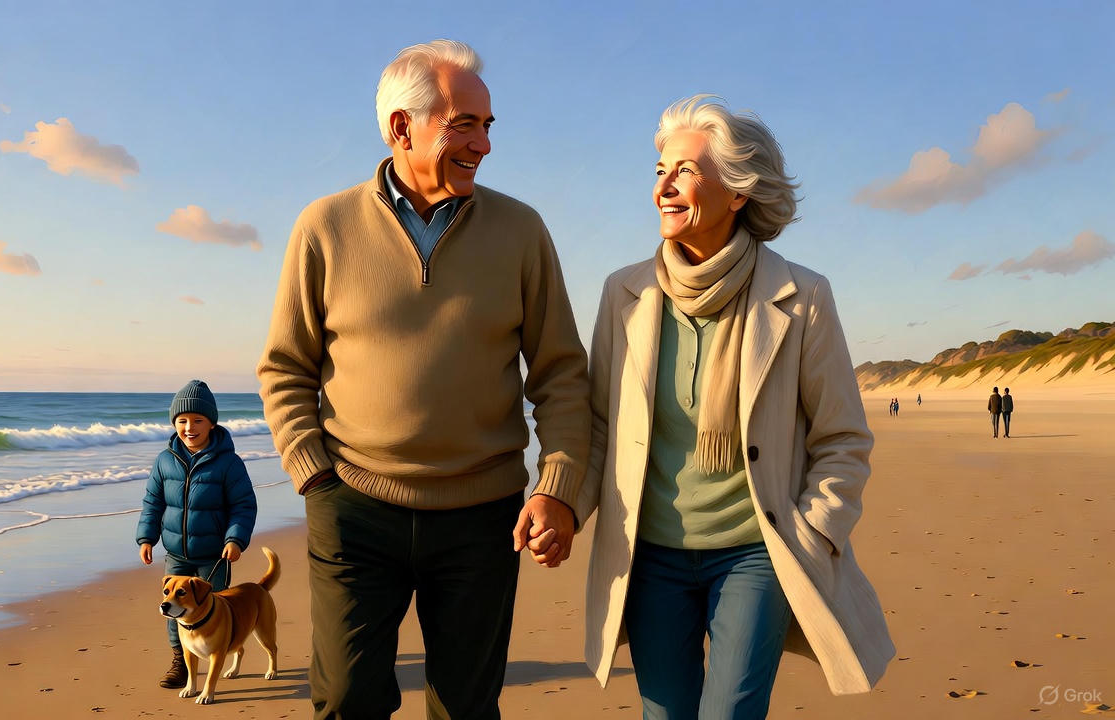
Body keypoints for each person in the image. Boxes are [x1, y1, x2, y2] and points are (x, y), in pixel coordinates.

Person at [257, 39, 590, 719]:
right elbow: (286, 367)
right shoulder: (323, 227)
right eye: (463, 124)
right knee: (347, 702)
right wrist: (315, 479)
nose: (484, 144)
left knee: (466, 710)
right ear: (400, 127)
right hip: (353, 507)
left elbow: (560, 375)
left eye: (488, 125)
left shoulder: (522, 231)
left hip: (483, 516)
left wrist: (557, 488)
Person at [577, 95, 893, 718]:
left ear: (739, 192)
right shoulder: (624, 294)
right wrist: (561, 504)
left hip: (756, 552)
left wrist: (813, 531)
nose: (665, 186)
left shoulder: (801, 297)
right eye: (660, 170)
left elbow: (842, 439)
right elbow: (599, 427)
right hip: (651, 556)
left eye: (687, 171)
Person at [136, 379, 258, 688]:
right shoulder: (165, 460)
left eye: (198, 420)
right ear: (174, 423)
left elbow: (243, 504)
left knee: (214, 612)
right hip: (176, 553)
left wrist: (235, 539)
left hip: (214, 555)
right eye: (182, 421)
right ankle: (180, 661)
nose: (190, 427)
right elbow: (153, 501)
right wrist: (147, 537)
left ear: (211, 423)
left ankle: (220, 652)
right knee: (174, 609)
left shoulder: (229, 463)